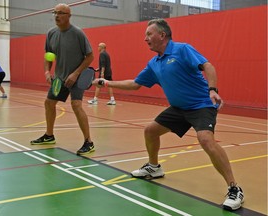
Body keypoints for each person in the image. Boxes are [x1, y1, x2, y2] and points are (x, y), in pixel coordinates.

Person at [93, 18, 244, 211]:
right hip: (179, 108)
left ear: (162, 35)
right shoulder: (154, 63)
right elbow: (135, 84)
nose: (145, 39)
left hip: (201, 105)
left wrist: (212, 89)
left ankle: (234, 188)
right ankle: (154, 167)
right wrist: (106, 83)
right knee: (150, 131)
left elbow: (208, 66)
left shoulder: (182, 50)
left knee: (205, 139)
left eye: (149, 34)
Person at [30, 3, 95, 155]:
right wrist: (47, 71)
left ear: (68, 16)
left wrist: (76, 73)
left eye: (61, 13)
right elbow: (49, 55)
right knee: (49, 103)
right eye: (55, 13)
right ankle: (49, 135)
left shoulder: (78, 33)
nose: (57, 16)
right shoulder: (51, 33)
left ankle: (88, 142)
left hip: (77, 77)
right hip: (60, 77)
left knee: (76, 104)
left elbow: (90, 56)